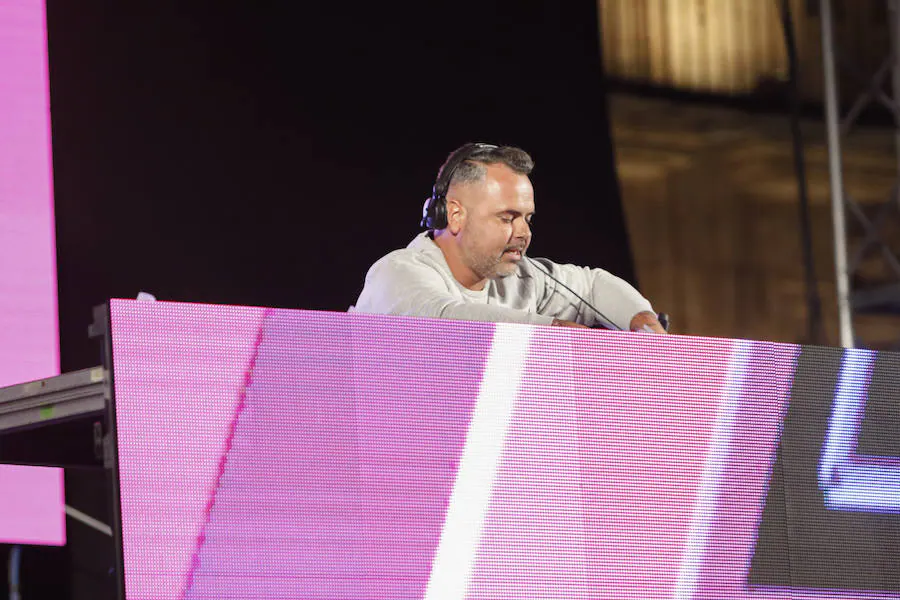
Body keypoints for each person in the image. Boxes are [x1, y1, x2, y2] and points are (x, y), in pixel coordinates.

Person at [352, 142, 666, 333]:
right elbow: (445, 320)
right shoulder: (396, 272)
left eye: (527, 218)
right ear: (454, 215)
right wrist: (552, 331)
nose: (524, 233)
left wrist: (643, 321)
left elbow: (592, 285)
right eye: (507, 218)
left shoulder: (525, 277)